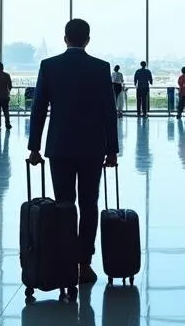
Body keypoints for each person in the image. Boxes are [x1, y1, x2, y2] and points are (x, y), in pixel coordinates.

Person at [27, 18, 118, 285]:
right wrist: (112, 150)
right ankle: (84, 264)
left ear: (65, 38)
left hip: (60, 147)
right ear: (87, 40)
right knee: (89, 204)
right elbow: (108, 112)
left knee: (64, 205)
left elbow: (39, 109)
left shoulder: (50, 66)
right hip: (92, 147)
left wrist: (34, 147)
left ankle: (65, 261)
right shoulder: (100, 68)